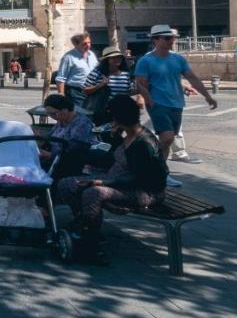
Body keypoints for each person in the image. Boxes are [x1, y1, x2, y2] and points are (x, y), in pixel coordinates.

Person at [55, 94, 168, 244]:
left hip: (145, 191)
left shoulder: (143, 143)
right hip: (115, 180)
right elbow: (114, 158)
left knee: (93, 193)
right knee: (65, 184)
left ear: (118, 118)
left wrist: (100, 182)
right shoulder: (128, 135)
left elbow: (139, 178)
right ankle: (83, 220)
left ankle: (91, 237)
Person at [135, 24, 216, 163]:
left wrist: (207, 96)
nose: (171, 41)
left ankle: (161, 170)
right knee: (167, 137)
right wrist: (147, 98)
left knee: (168, 140)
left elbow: (192, 78)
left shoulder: (178, 59)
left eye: (172, 38)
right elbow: (140, 83)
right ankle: (153, 166)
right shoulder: (146, 60)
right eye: (167, 38)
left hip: (177, 103)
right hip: (158, 103)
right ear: (155, 40)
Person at [39, 93, 94, 179]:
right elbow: (49, 138)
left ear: (65, 110)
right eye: (49, 114)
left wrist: (50, 155)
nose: (52, 117)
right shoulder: (62, 121)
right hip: (54, 161)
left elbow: (74, 150)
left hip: (69, 166)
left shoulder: (82, 124)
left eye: (53, 114)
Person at [82, 47, 134, 124]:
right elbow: (85, 90)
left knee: (116, 135)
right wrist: (100, 85)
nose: (117, 59)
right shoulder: (97, 73)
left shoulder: (125, 74)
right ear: (107, 60)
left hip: (121, 111)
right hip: (102, 112)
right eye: (113, 58)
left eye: (119, 57)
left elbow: (128, 92)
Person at [56, 32, 99, 110]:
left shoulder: (92, 54)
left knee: (90, 114)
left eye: (89, 42)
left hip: (92, 91)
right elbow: (60, 78)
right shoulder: (68, 57)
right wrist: (61, 94)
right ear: (76, 45)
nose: (88, 45)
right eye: (84, 44)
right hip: (76, 92)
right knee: (79, 115)